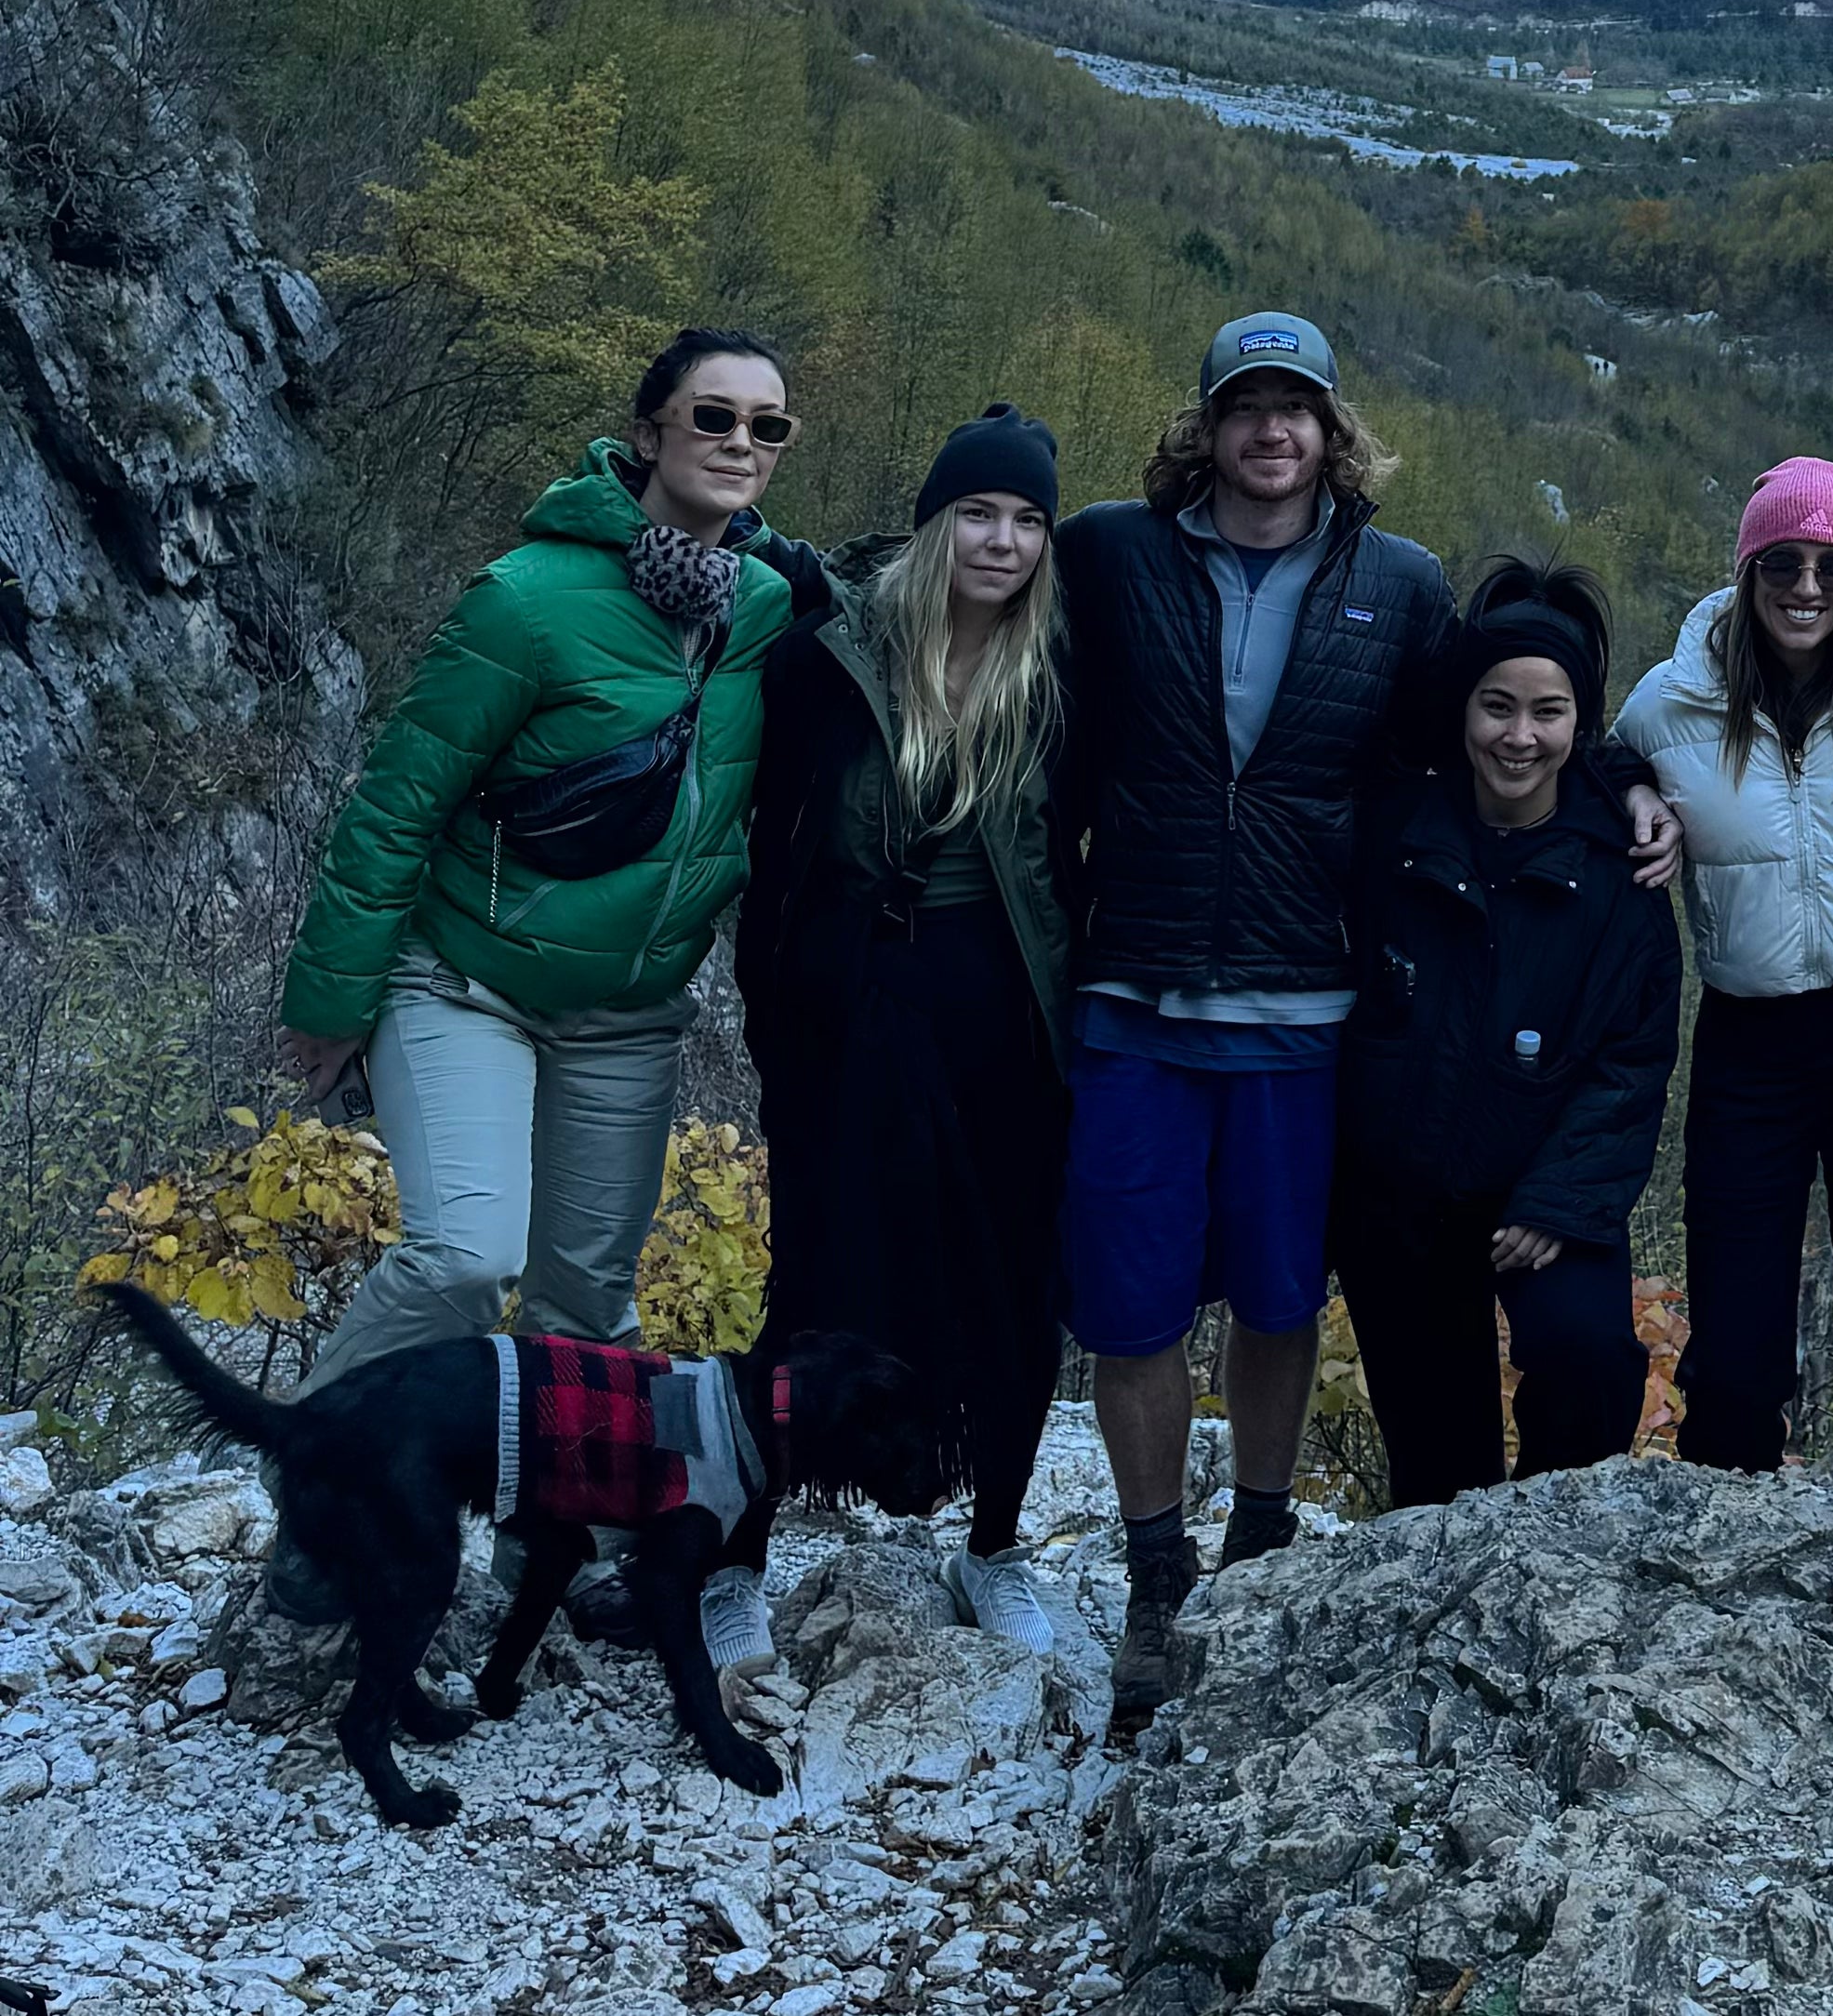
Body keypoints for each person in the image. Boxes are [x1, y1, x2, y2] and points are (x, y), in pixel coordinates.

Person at [256, 329, 800, 1691]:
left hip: (628, 1012)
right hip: (468, 980)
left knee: (584, 1306)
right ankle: (327, 1491)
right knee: (458, 1253)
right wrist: (332, 994)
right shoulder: (526, 600)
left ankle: (530, 1555)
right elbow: (396, 801)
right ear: (651, 430)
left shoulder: (769, 609)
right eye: (713, 417)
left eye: (767, 427)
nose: (739, 443)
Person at [1049, 311, 1453, 1726]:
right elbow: (966, 621)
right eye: (1244, 408)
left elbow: (1480, 748)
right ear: (1204, 427)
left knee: (1284, 1294)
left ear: (1332, 432)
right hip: (1133, 991)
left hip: (1304, 999)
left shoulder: (1401, 584)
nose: (1270, 433)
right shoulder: (1109, 553)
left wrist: (1629, 784)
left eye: (1296, 409)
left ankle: (1260, 1542)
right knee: (1131, 1301)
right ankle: (1158, 1580)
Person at [732, 405, 1076, 1663]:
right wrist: (773, 1002)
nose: (1003, 540)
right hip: (849, 997)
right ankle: (735, 1551)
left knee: (1011, 1283)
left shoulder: (1059, 668)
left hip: (1005, 1000)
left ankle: (994, 1543)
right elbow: (758, 826)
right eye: (979, 514)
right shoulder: (829, 650)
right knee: (819, 1269)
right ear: (934, 524)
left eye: (1029, 519)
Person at [1616, 456, 1833, 1490]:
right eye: (1783, 564)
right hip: (1749, 1039)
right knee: (1736, 1334)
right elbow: (1586, 758)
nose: (1806, 588)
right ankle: (1730, 1554)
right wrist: (1631, 791)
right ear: (1747, 568)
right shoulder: (1674, 700)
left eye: (1832, 569)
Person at [1329, 561, 1680, 1504]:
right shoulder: (1395, 832)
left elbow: (1632, 1061)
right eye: (1497, 707)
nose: (1519, 737)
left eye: (1549, 712)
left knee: (1587, 1361)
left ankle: (1552, 1555)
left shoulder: (1620, 877)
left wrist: (1558, 1201)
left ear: (1580, 723)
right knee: (1438, 1477)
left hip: (1546, 1192)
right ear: (1461, 709)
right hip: (1403, 1203)